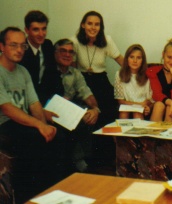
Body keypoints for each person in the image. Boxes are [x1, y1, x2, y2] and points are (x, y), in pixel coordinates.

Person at [0, 27, 66, 203]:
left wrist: (46, 127)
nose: (19, 50)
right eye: (13, 45)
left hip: (22, 123)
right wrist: (39, 126)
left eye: (22, 46)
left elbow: (34, 104)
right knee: (32, 140)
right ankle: (27, 198)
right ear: (1, 46)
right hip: (4, 124)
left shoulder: (23, 71)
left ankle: (53, 194)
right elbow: (7, 108)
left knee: (57, 137)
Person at [54, 38, 101, 172]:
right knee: (79, 119)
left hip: (70, 110)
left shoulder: (75, 73)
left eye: (71, 52)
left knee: (89, 116)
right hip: (53, 111)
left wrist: (95, 109)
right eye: (63, 51)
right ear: (55, 53)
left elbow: (86, 93)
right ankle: (79, 163)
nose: (67, 55)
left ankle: (84, 162)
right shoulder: (49, 71)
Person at [71, 10, 123, 127]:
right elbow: (73, 70)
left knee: (110, 110)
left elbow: (121, 61)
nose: (93, 27)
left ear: (101, 27)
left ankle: (107, 144)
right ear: (83, 25)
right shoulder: (74, 41)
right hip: (83, 81)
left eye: (97, 24)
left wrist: (139, 75)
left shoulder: (106, 40)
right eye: (90, 23)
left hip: (101, 81)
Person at [19, 10, 63, 106]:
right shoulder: (21, 50)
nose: (41, 34)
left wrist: (60, 99)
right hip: (28, 102)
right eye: (36, 29)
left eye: (44, 29)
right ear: (26, 30)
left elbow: (54, 74)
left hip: (47, 98)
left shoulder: (47, 45)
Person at [146, 38, 172, 122]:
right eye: (169, 57)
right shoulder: (152, 71)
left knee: (169, 107)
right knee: (159, 105)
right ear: (163, 55)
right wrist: (171, 102)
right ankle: (153, 134)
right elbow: (156, 95)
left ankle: (168, 134)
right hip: (157, 106)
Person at [114, 44, 153, 119]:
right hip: (127, 106)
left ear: (142, 60)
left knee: (137, 113)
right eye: (132, 57)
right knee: (124, 113)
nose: (135, 61)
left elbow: (150, 99)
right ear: (127, 59)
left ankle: (139, 130)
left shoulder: (148, 75)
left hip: (142, 108)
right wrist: (138, 104)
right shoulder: (119, 74)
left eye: (138, 58)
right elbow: (120, 100)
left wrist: (148, 107)